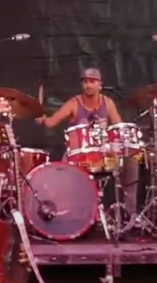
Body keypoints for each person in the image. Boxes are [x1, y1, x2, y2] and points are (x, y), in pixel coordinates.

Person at [36, 68, 139, 214]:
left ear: (99, 84)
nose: (88, 85)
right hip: (80, 154)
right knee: (64, 167)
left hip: (104, 154)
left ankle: (130, 213)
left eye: (92, 81)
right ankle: (70, 213)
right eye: (85, 82)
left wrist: (114, 146)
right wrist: (41, 118)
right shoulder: (74, 103)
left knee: (132, 160)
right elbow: (51, 122)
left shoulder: (107, 102)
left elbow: (118, 129)